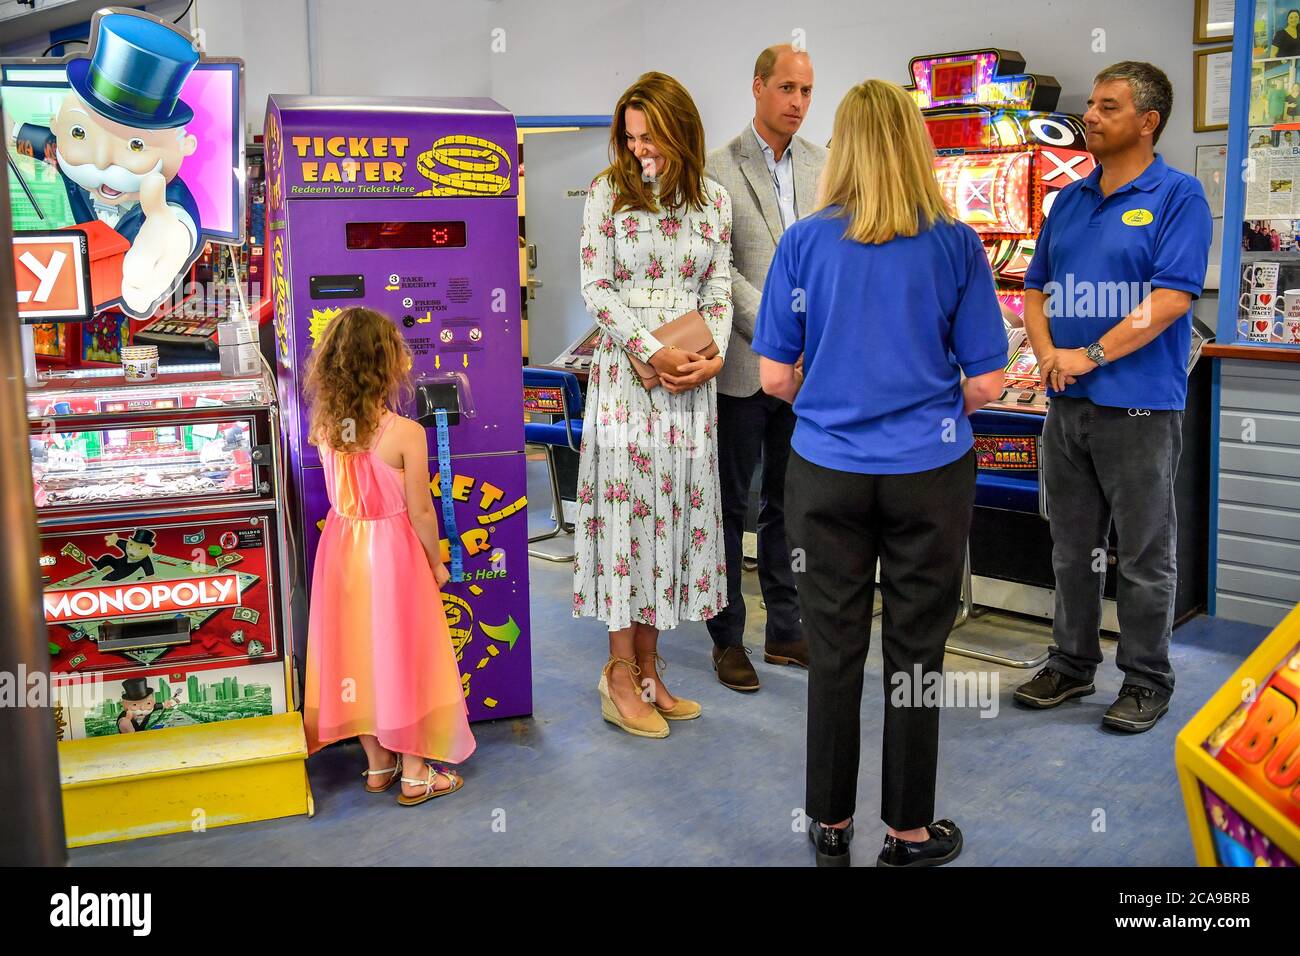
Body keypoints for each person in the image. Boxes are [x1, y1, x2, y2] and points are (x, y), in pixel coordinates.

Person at [753, 80, 1007, 867]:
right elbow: (989, 384)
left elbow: (773, 377)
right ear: (914, 143)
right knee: (916, 656)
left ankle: (829, 829)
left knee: (831, 650)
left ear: (846, 145)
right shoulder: (956, 244)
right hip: (928, 474)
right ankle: (907, 833)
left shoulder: (803, 243)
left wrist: (837, 400)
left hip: (825, 472)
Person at [1012, 62, 1213, 733]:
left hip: (1140, 409)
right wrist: (1046, 355)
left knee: (1145, 552)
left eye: (1107, 106)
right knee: (1071, 548)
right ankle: (1070, 664)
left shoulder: (1178, 197)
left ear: (1148, 121)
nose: (1089, 116)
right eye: (1091, 105)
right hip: (1067, 406)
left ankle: (1147, 678)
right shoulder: (1069, 200)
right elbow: (1033, 289)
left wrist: (1089, 354)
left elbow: (1171, 299)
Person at [574, 72, 734, 738]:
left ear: (681, 131)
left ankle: (649, 668)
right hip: (625, 384)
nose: (642, 150)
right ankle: (617, 675)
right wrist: (650, 349)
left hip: (690, 390)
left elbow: (720, 286)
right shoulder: (606, 195)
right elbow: (596, 286)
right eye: (632, 137)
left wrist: (713, 354)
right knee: (623, 524)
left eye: (653, 136)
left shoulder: (714, 201)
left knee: (667, 521)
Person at [302, 306, 474, 804]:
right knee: (407, 655)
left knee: (356, 654)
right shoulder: (405, 433)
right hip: (393, 553)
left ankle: (378, 766)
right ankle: (418, 773)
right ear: (386, 363)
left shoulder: (327, 427)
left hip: (341, 551)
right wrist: (439, 563)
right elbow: (421, 510)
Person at [702, 44, 828, 693]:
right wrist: (782, 335)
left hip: (810, 372)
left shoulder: (824, 163)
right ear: (758, 87)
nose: (798, 102)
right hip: (745, 369)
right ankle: (727, 637)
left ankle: (786, 629)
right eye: (786, 88)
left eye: (806, 90)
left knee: (790, 505)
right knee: (729, 506)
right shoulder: (716, 169)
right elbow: (717, 269)